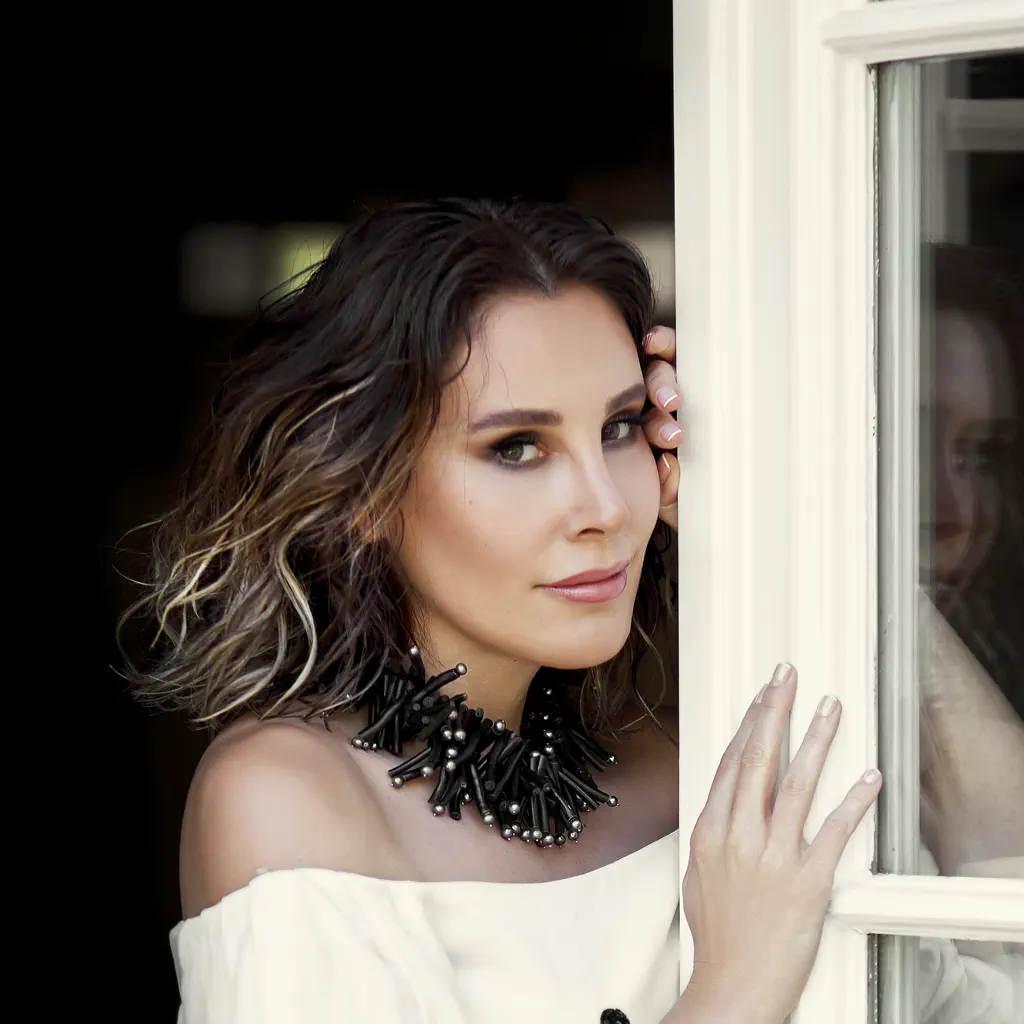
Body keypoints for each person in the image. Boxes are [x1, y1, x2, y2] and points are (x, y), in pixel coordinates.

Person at [118, 198, 882, 1024]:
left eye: (621, 427)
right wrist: (734, 988)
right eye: (517, 448)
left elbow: (976, 965)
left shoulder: (689, 769)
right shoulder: (284, 799)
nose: (606, 507)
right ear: (364, 490)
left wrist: (782, 525)